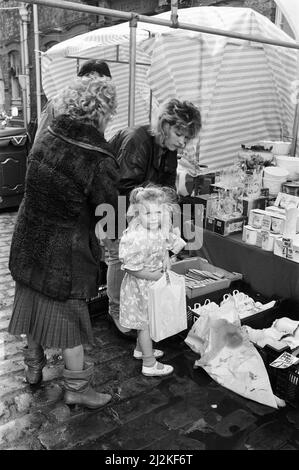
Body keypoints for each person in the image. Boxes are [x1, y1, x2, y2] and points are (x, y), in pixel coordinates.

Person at [8, 75, 119, 410]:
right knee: (70, 324)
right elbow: (110, 215)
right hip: (65, 257)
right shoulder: (99, 157)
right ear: (103, 114)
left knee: (32, 308)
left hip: (29, 241)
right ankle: (77, 389)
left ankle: (33, 369)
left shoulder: (47, 135)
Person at [98, 98, 201, 336]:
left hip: (142, 209)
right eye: (179, 134)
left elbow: (165, 188)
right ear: (164, 125)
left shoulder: (169, 148)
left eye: (186, 137)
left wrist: (171, 211)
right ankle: (115, 310)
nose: (182, 141)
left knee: (138, 259)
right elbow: (123, 185)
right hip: (116, 204)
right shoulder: (137, 140)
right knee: (118, 256)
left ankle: (134, 310)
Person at [118, 185, 186, 376]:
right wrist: (156, 276)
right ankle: (149, 363)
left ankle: (141, 350)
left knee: (146, 322)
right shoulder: (137, 237)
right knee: (145, 325)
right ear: (138, 213)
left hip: (150, 285)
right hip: (141, 287)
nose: (154, 217)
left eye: (158, 212)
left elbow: (165, 245)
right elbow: (133, 268)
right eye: (148, 214)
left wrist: (165, 256)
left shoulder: (157, 228)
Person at [34, 59, 112, 141]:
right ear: (80, 79)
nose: (93, 83)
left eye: (99, 80)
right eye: (89, 77)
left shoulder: (101, 107)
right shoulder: (58, 102)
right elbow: (41, 136)